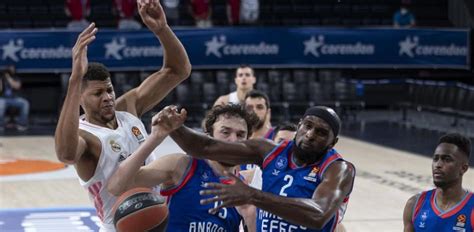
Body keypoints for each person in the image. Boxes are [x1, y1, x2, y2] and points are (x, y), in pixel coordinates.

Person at [54, 0, 191, 230]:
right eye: (98, 93)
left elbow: (178, 70)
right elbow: (66, 154)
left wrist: (162, 29)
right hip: (120, 226)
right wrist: (75, 78)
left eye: (109, 89)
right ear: (79, 97)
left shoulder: (128, 109)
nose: (107, 97)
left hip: (159, 216)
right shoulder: (85, 137)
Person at [160, 105, 356, 232]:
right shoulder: (268, 150)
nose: (310, 135)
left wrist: (252, 195)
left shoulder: (338, 169)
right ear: (299, 126)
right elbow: (205, 148)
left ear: (333, 142)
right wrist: (175, 127)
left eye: (321, 133)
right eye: (307, 126)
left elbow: (318, 214)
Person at [107, 104, 259, 231]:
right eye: (225, 132)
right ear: (209, 136)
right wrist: (155, 137)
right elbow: (116, 186)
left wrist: (249, 215)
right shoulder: (181, 165)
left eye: (240, 135)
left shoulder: (245, 188)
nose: (233, 139)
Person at [403, 133, 473, 232]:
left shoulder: (472, 209)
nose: (438, 165)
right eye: (436, 159)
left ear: (463, 168)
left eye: (447, 159)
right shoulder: (414, 204)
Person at [0, 64, 29, 131]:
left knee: (25, 103)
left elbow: (17, 86)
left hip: (14, 98)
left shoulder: (16, 77)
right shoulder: (2, 77)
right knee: (1, 105)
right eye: (9, 68)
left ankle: (22, 124)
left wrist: (8, 78)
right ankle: (0, 125)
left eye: (12, 68)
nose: (11, 70)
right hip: (3, 98)